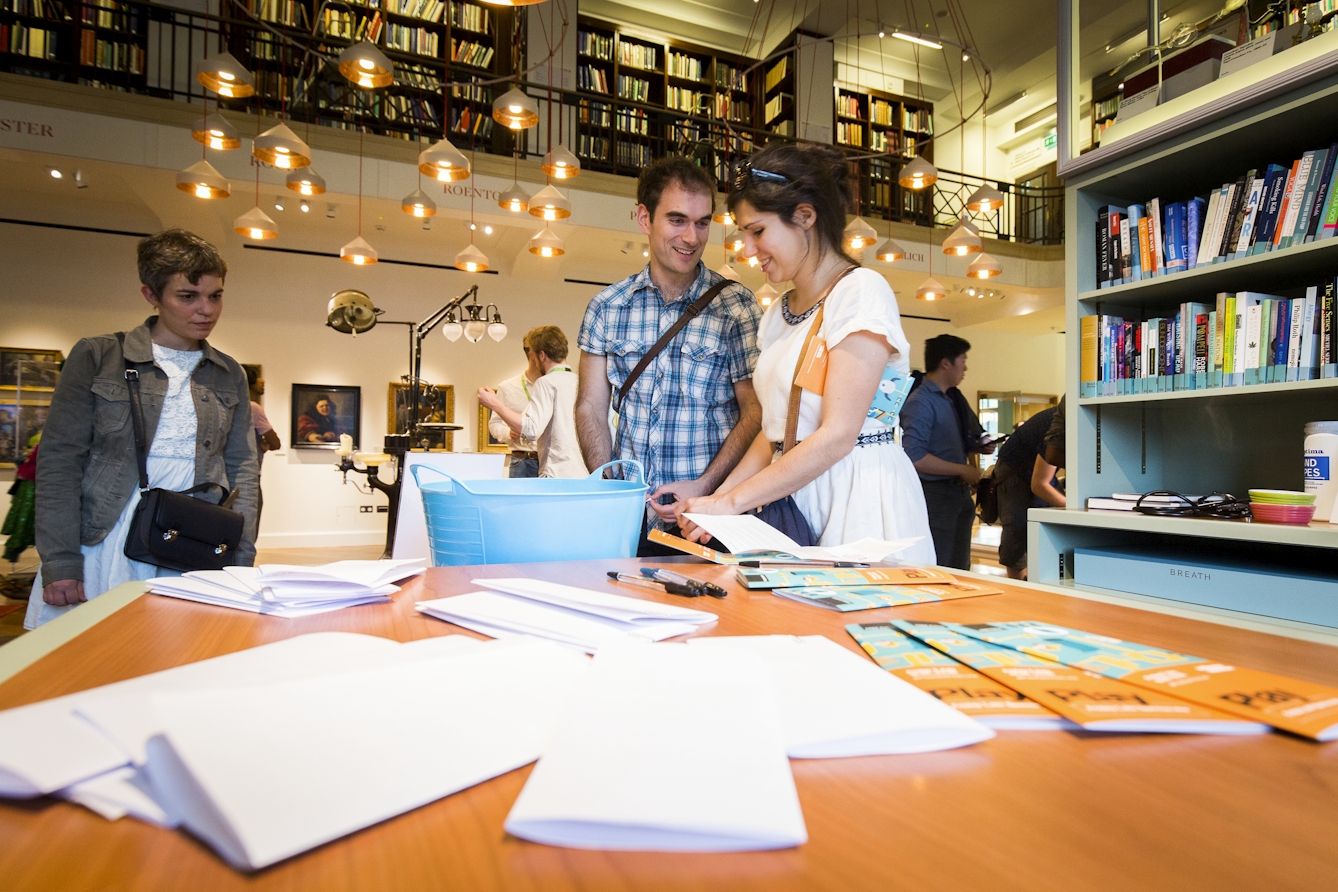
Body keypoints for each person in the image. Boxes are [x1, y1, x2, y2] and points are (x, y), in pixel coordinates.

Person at [674, 143, 935, 563]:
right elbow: (773, 432)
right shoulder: (777, 312)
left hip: (855, 495)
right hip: (790, 495)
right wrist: (718, 501)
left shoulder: (861, 292)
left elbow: (837, 436)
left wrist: (730, 503)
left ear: (805, 216)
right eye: (744, 233)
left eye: (757, 231)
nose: (747, 248)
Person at [27, 229, 258, 629]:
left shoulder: (228, 372)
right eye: (188, 296)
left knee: (181, 664)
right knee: (86, 667)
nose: (207, 309)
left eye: (215, 295)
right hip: (105, 539)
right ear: (151, 295)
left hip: (194, 539)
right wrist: (61, 559)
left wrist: (240, 557)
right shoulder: (99, 356)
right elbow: (60, 462)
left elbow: (243, 471)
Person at [575, 156, 763, 554]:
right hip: (630, 520)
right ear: (645, 218)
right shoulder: (607, 306)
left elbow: (755, 413)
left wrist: (705, 487)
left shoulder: (737, 307)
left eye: (702, 222)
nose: (692, 237)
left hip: (708, 522)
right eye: (677, 220)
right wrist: (610, 489)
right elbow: (590, 406)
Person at [900, 334, 995, 570]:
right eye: (962, 360)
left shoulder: (951, 399)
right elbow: (914, 457)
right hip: (936, 496)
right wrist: (962, 469)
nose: (965, 367)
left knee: (960, 566)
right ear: (946, 363)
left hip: (957, 495)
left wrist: (976, 446)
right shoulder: (921, 401)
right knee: (940, 565)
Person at [479, 326, 587, 479]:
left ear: (541, 355)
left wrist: (494, 404)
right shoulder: (581, 383)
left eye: (534, 357)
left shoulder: (546, 383)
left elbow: (531, 430)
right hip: (580, 472)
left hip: (554, 473)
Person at [993, 403, 1065, 579]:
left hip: (1034, 471)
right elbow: (1039, 484)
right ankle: (1017, 588)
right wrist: (1076, 509)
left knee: (1051, 526)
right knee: (1017, 530)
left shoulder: (1065, 419)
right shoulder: (1057, 425)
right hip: (1014, 472)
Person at [488, 338, 543, 478]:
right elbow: (494, 424)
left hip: (550, 462)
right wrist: (508, 432)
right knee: (519, 500)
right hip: (522, 461)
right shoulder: (507, 387)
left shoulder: (554, 386)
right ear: (533, 356)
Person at [245, 365, 280, 524]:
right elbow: (275, 443)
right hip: (249, 474)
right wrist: (266, 443)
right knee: (250, 522)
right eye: (256, 376)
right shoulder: (252, 408)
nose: (262, 380)